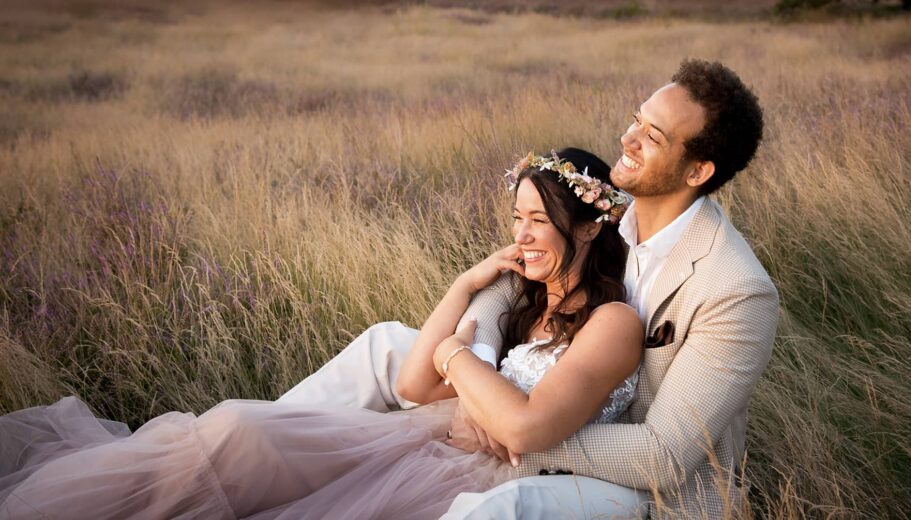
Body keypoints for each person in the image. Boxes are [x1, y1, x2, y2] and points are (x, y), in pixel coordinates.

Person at [0, 149, 648, 518]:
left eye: (540, 220)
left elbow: (524, 428)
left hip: (476, 478)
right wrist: (461, 287)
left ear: (590, 227)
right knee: (236, 431)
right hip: (421, 437)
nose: (522, 235)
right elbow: (413, 384)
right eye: (517, 218)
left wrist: (457, 355)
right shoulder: (521, 302)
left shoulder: (611, 322)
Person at [282, 59, 780, 519]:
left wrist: (510, 425)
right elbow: (513, 279)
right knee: (384, 344)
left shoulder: (734, 291)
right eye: (636, 118)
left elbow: (665, 455)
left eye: (652, 135)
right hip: (547, 395)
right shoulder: (608, 208)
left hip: (633, 479)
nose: (628, 138)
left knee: (501, 508)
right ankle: (273, 453)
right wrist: (477, 369)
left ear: (697, 171)